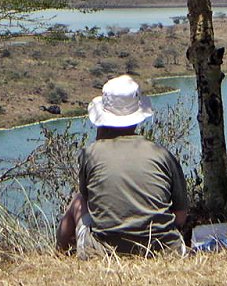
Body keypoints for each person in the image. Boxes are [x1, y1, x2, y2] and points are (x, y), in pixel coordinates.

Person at [56, 75, 189, 258]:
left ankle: (59, 257)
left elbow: (90, 201)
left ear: (103, 119)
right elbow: (181, 214)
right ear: (137, 117)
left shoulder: (91, 153)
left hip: (104, 253)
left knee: (78, 200)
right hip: (165, 251)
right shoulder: (162, 154)